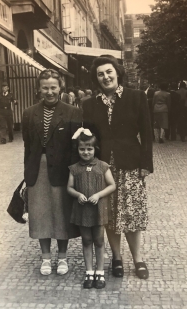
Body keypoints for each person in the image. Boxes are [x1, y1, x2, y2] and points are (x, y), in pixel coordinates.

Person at [83, 55, 153, 280]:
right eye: (100, 74)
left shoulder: (137, 97)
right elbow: (88, 138)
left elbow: (147, 132)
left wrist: (146, 164)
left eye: (109, 72)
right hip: (104, 168)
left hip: (131, 165)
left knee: (132, 214)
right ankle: (116, 257)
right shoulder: (90, 104)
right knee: (110, 215)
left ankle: (138, 259)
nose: (105, 77)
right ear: (96, 79)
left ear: (117, 72)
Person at [22, 69, 82, 276]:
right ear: (39, 89)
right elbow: (27, 147)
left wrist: (75, 175)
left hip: (63, 169)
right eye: (45, 87)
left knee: (61, 212)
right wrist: (27, 174)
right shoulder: (29, 113)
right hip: (38, 169)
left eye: (53, 87)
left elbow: (76, 146)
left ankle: (63, 257)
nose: (49, 92)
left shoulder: (73, 112)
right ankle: (46, 258)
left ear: (60, 87)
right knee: (40, 213)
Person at [67, 129, 116, 289]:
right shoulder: (74, 168)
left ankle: (99, 271)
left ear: (95, 149)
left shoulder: (103, 166)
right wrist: (77, 194)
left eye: (89, 149)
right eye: (82, 149)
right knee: (86, 240)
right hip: (82, 210)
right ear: (78, 149)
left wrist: (98, 195)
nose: (86, 152)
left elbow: (112, 185)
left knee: (99, 240)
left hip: (98, 209)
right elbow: (69, 188)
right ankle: (89, 271)